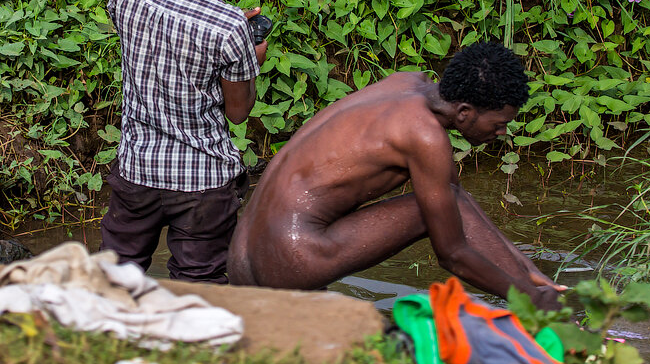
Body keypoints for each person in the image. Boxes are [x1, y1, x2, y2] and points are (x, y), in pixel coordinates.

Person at [228, 42, 566, 310]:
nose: (503, 132)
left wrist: (525, 271)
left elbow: (458, 200)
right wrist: (530, 301)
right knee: (430, 209)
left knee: (448, 199)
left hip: (243, 258)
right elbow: (452, 254)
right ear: (465, 113)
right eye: (499, 124)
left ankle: (531, 280)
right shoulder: (424, 135)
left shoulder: (406, 82)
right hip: (290, 260)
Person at [100, 0, 267, 284]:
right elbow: (238, 111)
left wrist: (227, 34)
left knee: (112, 283)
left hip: (137, 171)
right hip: (202, 185)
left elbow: (158, 31)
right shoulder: (228, 27)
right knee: (201, 288)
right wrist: (248, 56)